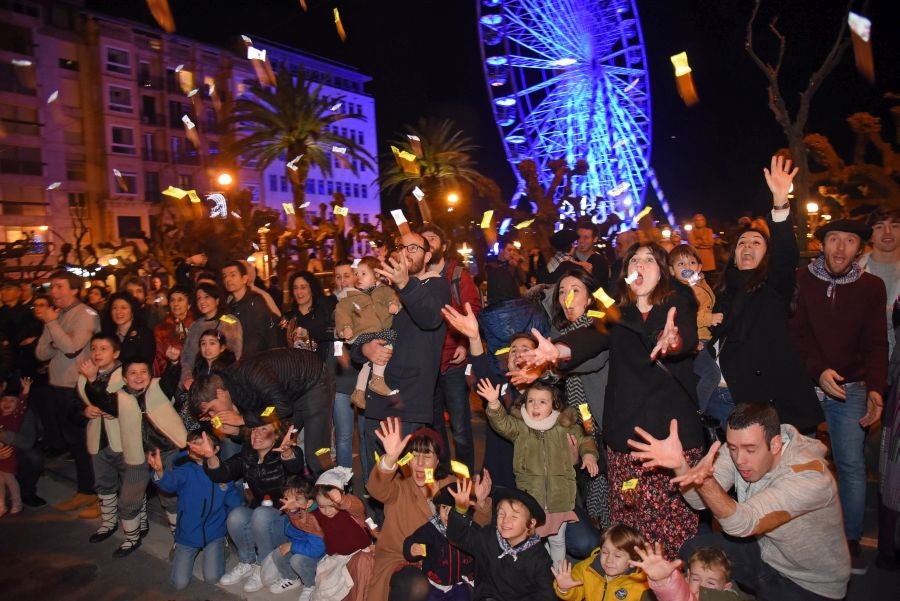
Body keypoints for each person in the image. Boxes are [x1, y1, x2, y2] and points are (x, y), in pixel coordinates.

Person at [520, 243, 703, 558]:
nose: (641, 265)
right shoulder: (618, 313)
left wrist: (672, 341)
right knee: (629, 530)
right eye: (635, 260)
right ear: (628, 273)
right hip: (627, 441)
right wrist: (558, 351)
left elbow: (681, 335)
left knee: (672, 532)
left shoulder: (678, 302)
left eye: (650, 259)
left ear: (662, 270)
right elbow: (590, 337)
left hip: (671, 438)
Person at [629, 402, 850, 601]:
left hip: (808, 582)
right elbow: (698, 501)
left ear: (775, 444)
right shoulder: (740, 446)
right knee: (693, 549)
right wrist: (681, 466)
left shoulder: (810, 477)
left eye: (750, 450)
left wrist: (704, 481)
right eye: (733, 448)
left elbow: (742, 524)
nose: (740, 459)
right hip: (766, 551)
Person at [790, 218, 887, 573]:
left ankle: (850, 538)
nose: (840, 248)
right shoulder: (801, 280)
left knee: (851, 465)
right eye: (834, 239)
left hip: (852, 388)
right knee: (801, 465)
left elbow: (877, 342)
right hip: (805, 383)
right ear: (822, 244)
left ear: (860, 248)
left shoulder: (871, 287)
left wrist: (876, 388)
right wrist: (818, 371)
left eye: (849, 241)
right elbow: (795, 335)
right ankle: (803, 534)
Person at [707, 156, 823, 434]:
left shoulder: (774, 285)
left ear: (766, 255)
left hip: (774, 404)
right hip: (728, 400)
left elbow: (786, 255)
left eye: (756, 242)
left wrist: (781, 202)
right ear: (733, 255)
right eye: (741, 243)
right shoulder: (719, 292)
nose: (747, 246)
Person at [365, 418, 492, 601]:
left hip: (446, 564)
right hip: (402, 559)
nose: (420, 463)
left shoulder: (451, 485)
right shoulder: (399, 485)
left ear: (437, 460)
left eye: (427, 456)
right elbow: (376, 488)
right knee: (417, 586)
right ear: (407, 460)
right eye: (414, 455)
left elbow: (477, 530)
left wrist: (480, 504)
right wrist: (390, 459)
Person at [478, 378, 599, 564]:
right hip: (531, 499)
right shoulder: (521, 427)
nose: (535, 406)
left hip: (559, 500)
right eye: (531, 401)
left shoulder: (564, 426)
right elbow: (502, 424)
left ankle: (558, 579)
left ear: (554, 404)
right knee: (535, 542)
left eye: (542, 402)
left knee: (558, 542)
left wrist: (589, 455)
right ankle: (542, 572)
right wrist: (494, 403)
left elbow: (585, 439)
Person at [81, 353, 187, 556]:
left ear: (151, 374)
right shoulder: (118, 397)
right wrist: (93, 380)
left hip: (167, 452)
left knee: (171, 499)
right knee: (128, 500)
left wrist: (174, 362)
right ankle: (132, 538)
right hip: (137, 456)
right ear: (124, 377)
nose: (138, 376)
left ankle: (180, 540)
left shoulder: (159, 387)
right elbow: (100, 399)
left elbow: (171, 379)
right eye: (133, 373)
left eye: (143, 372)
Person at [356, 231, 450, 440]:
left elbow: (430, 318)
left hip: (407, 404)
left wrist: (405, 284)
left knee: (404, 471)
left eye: (413, 248)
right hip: (374, 401)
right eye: (401, 247)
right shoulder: (383, 292)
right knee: (373, 471)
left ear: (427, 257)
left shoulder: (437, 286)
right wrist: (364, 349)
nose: (406, 252)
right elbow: (359, 331)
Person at [194, 420, 305, 593]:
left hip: (289, 520)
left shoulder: (284, 452)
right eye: (254, 430)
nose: (257, 434)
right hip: (261, 518)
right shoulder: (248, 453)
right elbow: (223, 472)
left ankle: (264, 565)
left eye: (264, 429)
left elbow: (295, 465)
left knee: (260, 513)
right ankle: (248, 561)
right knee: (236, 515)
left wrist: (288, 452)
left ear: (277, 436)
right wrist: (211, 457)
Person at [189, 348, 334, 475]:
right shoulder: (231, 390)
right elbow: (261, 420)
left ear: (221, 394)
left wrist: (242, 419)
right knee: (277, 444)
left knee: (317, 453)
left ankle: (337, 491)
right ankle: (301, 494)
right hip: (289, 394)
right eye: (209, 415)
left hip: (313, 382)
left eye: (212, 410)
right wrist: (235, 432)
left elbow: (281, 407)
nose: (215, 416)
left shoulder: (250, 374)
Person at [35, 270, 101, 513]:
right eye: (52, 287)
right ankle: (84, 490)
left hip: (78, 387)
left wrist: (52, 326)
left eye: (60, 286)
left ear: (74, 289)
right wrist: (55, 334)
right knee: (74, 444)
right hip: (58, 386)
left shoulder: (84, 314)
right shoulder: (57, 315)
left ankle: (98, 494)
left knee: (87, 443)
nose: (54, 292)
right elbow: (41, 352)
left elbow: (72, 348)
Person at [550, 267, 611, 526]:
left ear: (589, 299)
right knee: (593, 479)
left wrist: (550, 362)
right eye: (562, 292)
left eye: (575, 291)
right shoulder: (562, 336)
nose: (568, 298)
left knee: (611, 482)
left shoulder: (598, 328)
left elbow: (589, 362)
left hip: (608, 420)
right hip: (586, 420)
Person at [421, 224, 483, 476]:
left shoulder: (458, 275)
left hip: (453, 364)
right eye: (422, 240)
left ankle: (466, 479)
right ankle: (443, 477)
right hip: (428, 365)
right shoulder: (417, 278)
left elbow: (474, 311)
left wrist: (464, 343)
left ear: (443, 246)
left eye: (432, 238)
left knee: (460, 428)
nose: (427, 244)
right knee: (435, 426)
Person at [148, 428, 242, 591]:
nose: (197, 446)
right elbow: (170, 483)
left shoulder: (223, 470)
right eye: (194, 443)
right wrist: (160, 471)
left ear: (216, 449)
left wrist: (229, 492)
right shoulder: (185, 469)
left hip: (214, 533)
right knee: (179, 583)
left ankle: (222, 543)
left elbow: (233, 501)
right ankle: (178, 545)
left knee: (212, 578)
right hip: (188, 534)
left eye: (202, 443)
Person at [446, 482, 555, 601]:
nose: (505, 520)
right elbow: (457, 537)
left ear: (531, 523)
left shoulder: (539, 558)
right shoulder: (488, 537)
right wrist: (460, 511)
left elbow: (546, 595)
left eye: (514, 517)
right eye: (501, 514)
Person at [336, 257, 401, 400]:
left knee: (368, 363)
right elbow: (338, 322)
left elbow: (392, 297)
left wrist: (393, 304)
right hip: (356, 343)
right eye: (356, 274)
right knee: (386, 341)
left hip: (367, 340)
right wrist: (339, 344)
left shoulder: (379, 291)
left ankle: (359, 391)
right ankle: (377, 379)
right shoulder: (347, 297)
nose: (343, 280)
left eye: (347, 275)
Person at [669, 245, 723, 414]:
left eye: (692, 262)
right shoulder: (679, 292)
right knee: (711, 374)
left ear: (699, 266)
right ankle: (696, 410)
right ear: (671, 271)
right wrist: (709, 319)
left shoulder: (699, 283)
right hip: (693, 339)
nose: (687, 267)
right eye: (680, 264)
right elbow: (686, 316)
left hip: (704, 338)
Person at [403, 483, 476, 600]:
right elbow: (413, 539)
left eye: (453, 509)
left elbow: (483, 550)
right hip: (434, 583)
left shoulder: (471, 530)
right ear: (438, 508)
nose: (447, 514)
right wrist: (412, 548)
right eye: (444, 507)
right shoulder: (432, 528)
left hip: (461, 584)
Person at [552, 522, 650, 601]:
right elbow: (576, 593)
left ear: (634, 560)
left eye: (617, 555)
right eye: (605, 552)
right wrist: (565, 589)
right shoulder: (587, 568)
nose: (609, 560)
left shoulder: (642, 584)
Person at [263, 476, 325, 597]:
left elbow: (317, 550)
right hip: (302, 547)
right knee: (278, 553)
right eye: (287, 499)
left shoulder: (314, 519)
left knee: (297, 560)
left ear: (309, 503)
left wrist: (292, 546)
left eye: (296, 499)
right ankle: (291, 578)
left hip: (320, 556)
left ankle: (310, 585)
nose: (290, 503)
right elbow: (291, 533)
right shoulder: (295, 512)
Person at [630, 543, 754, 601]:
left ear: (726, 586)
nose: (701, 586)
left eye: (711, 583)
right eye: (695, 579)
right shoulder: (677, 590)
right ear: (688, 577)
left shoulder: (730, 598)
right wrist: (664, 582)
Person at [180, 283, 242, 386]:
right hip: (197, 380)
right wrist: (187, 378)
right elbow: (187, 357)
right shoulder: (196, 325)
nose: (202, 301)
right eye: (198, 298)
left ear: (217, 300)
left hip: (223, 380)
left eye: (207, 297)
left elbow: (235, 354)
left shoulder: (229, 320)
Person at [860, 207, 900, 355]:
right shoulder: (854, 271)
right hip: (866, 357)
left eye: (894, 226)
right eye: (879, 226)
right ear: (870, 235)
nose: (888, 231)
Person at [222, 260, 279, 356]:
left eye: (232, 275)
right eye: (225, 276)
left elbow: (260, 336)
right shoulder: (228, 305)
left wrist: (240, 357)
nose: (228, 279)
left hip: (258, 360)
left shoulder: (256, 301)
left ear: (244, 279)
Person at [282, 271, 336, 364]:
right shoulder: (287, 318)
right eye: (295, 288)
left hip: (324, 370)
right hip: (295, 372)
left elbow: (335, 338)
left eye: (303, 287)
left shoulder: (324, 314)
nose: (299, 292)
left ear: (312, 289)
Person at [0, 376, 31, 517]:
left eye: (12, 401)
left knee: (10, 480)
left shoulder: (15, 417)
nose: (7, 403)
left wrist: (25, 392)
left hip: (9, 454)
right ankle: (2, 504)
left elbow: (21, 406)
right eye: (4, 400)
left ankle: (17, 503)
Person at [102, 292, 156, 369]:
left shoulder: (144, 334)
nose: (118, 312)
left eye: (123, 308)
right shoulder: (107, 335)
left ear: (132, 311)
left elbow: (146, 362)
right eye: (114, 308)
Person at [154, 285, 194, 377]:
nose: (176, 304)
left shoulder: (198, 325)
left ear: (189, 305)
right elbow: (159, 357)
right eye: (172, 300)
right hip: (172, 376)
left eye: (180, 300)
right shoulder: (161, 329)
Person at [572, 218, 611, 288]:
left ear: (595, 239)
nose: (581, 240)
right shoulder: (568, 256)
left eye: (586, 237)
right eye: (579, 237)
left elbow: (602, 292)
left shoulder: (600, 263)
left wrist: (589, 276)